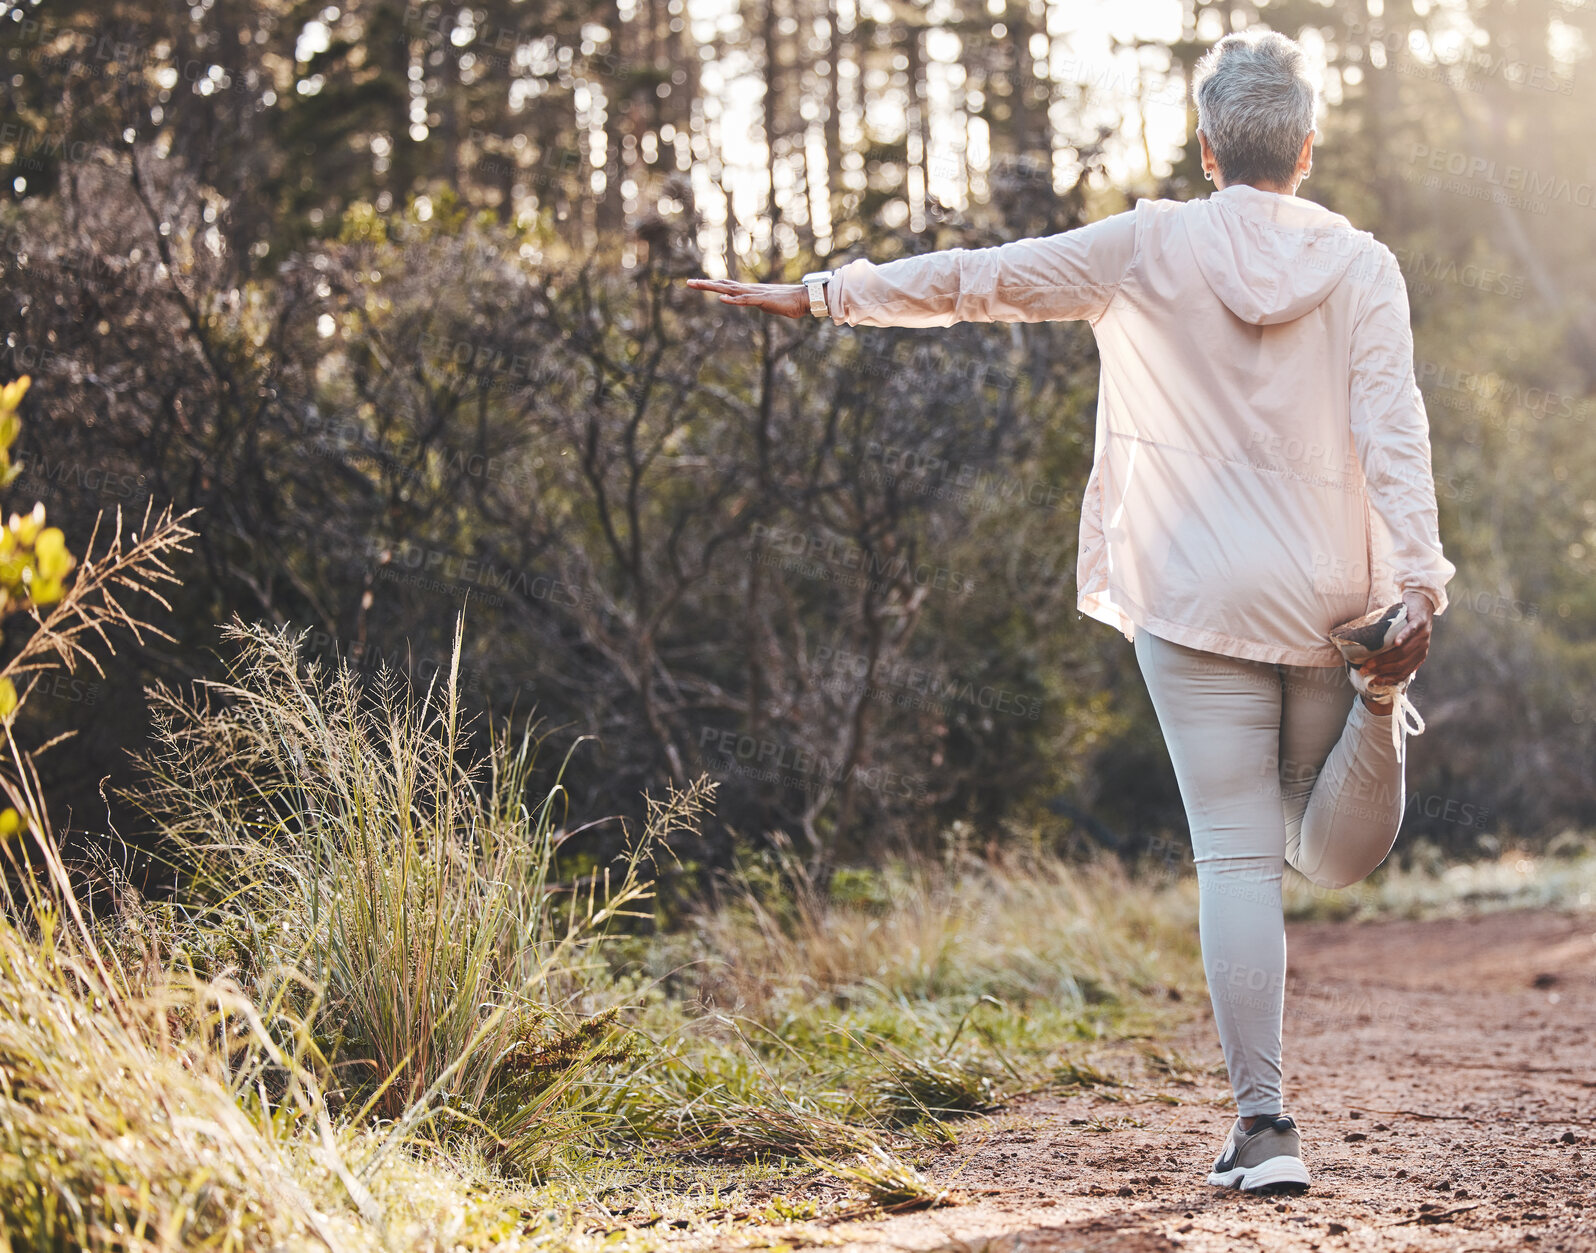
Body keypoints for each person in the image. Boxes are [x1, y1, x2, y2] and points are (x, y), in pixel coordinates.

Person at [687, 28, 1454, 1196]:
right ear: (1305, 147)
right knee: (1331, 856)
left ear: (1208, 149)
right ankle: (1385, 690)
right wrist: (1418, 585)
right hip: (1330, 598)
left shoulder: (1147, 244)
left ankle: (1266, 1128)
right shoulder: (1364, 264)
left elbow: (982, 276)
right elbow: (1394, 432)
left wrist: (825, 295)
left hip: (1194, 601)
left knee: (1240, 860)